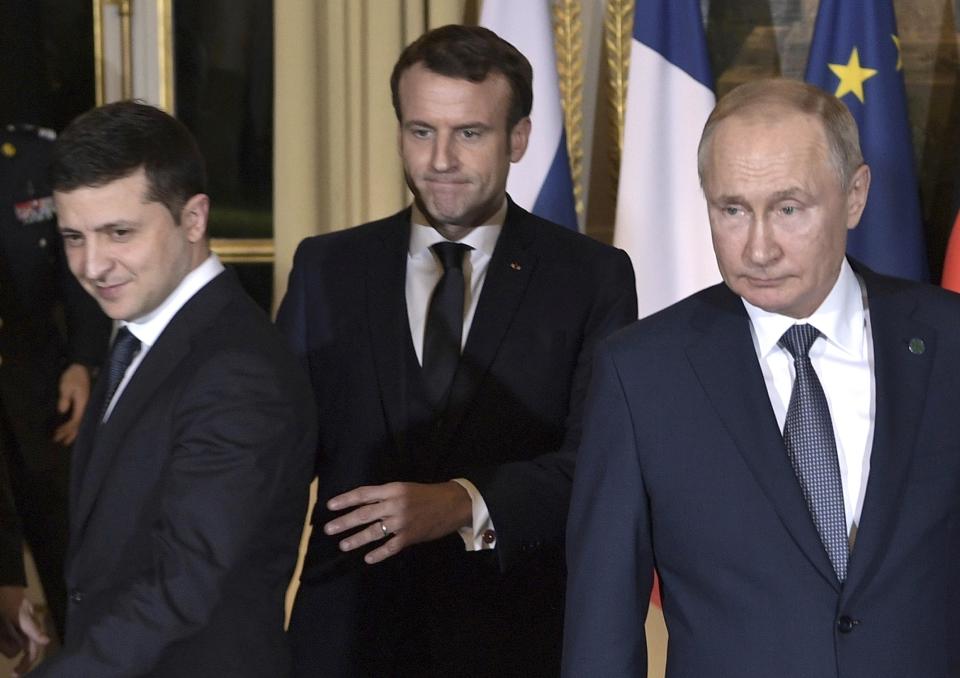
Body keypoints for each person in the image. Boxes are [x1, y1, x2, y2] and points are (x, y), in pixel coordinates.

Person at [562, 77, 960, 677]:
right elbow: (603, 623)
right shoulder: (641, 372)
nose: (758, 248)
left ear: (855, 196)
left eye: (789, 209)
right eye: (732, 210)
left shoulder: (950, 341)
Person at [278, 24, 637, 678]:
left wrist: (463, 501)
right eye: (421, 131)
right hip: (343, 640)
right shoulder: (326, 267)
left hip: (513, 639)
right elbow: (274, 456)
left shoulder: (591, 277)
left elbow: (600, 465)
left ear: (518, 139)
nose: (441, 159)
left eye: (468, 133)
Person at [29, 101, 316, 677]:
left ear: (193, 219)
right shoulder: (141, 333)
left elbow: (186, 581)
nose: (91, 265)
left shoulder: (238, 370)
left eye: (119, 233)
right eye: (73, 237)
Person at [0, 123, 111, 644]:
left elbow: (75, 267)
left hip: (40, 395)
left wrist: (83, 362)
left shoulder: (34, 157)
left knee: (72, 568)